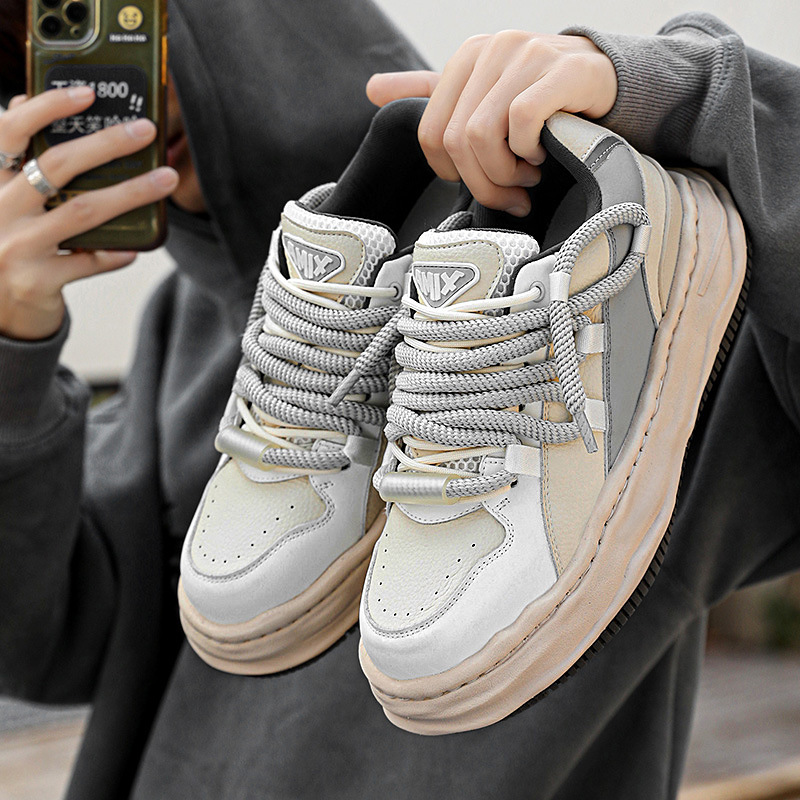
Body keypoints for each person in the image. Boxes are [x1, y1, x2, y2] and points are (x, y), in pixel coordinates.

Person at [0, 4, 798, 799]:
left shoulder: (643, 281)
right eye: (26, 70)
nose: (101, 96)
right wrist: (10, 344)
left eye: (124, 29)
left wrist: (675, 90)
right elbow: (53, 640)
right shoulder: (180, 321)